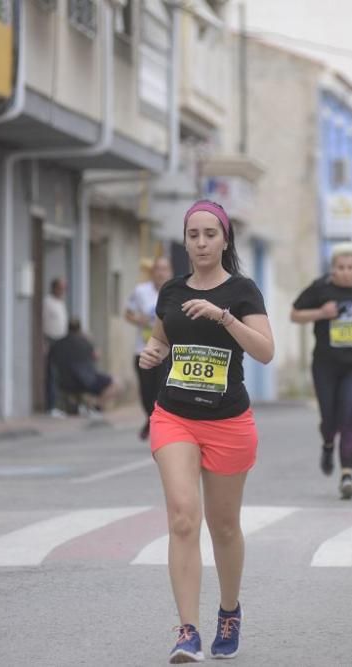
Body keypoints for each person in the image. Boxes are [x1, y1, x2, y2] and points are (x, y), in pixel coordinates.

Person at [138, 200, 273, 663]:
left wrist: (224, 317)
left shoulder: (243, 291)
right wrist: (152, 353)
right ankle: (187, 631)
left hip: (228, 421)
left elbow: (266, 352)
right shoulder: (172, 291)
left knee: (225, 527)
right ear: (185, 240)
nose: (200, 243)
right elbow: (160, 336)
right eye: (192, 235)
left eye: (209, 234)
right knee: (182, 517)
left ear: (224, 239)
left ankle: (230, 611)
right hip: (174, 415)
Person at [291, 243, 352, 500]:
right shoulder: (320, 288)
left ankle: (347, 476)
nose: (346, 273)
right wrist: (321, 313)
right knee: (329, 419)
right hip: (326, 365)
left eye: (350, 267)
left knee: (349, 418)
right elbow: (295, 314)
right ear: (332, 269)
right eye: (340, 268)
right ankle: (328, 444)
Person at [126, 256, 174, 440]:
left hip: (166, 351)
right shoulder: (140, 291)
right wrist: (140, 320)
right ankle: (150, 418)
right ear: (152, 272)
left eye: (165, 269)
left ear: (170, 272)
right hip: (142, 349)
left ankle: (158, 424)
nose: (161, 273)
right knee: (146, 392)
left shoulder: (175, 291)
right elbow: (128, 313)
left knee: (160, 390)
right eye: (158, 269)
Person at [51, 319, 120, 420]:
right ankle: (97, 407)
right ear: (79, 329)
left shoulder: (58, 344)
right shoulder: (84, 342)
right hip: (85, 381)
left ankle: (86, 406)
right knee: (117, 383)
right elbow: (96, 356)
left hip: (63, 382)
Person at [42, 277, 69, 417]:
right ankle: (50, 406)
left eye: (64, 288)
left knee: (59, 374)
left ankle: (59, 405)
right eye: (60, 288)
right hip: (51, 341)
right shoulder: (47, 302)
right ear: (54, 288)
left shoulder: (60, 302)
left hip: (61, 342)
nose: (62, 291)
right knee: (51, 374)